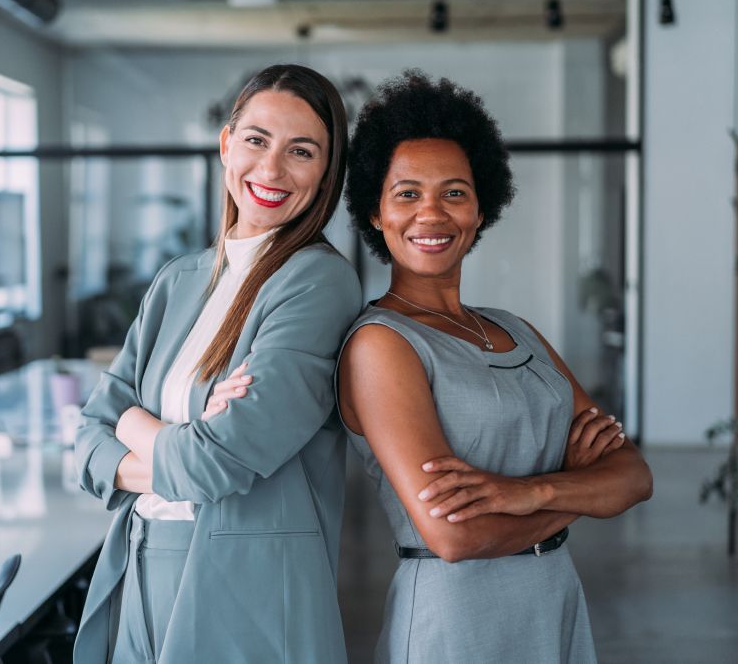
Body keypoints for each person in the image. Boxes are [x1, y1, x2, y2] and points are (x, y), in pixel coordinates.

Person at [333, 71, 654, 662]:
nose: (431, 213)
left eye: (454, 192)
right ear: (375, 213)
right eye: (406, 193)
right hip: (455, 620)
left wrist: (530, 494)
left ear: (481, 210)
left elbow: (634, 477)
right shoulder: (381, 344)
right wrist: (578, 491)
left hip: (552, 599)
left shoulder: (516, 329)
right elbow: (453, 535)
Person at [72, 64, 361, 664]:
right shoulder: (179, 280)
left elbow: (211, 465)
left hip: (242, 586)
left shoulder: (318, 283)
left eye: (301, 151)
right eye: (256, 140)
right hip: (141, 564)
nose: (272, 169)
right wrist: (175, 439)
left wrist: (130, 422)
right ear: (226, 143)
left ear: (327, 173)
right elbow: (85, 437)